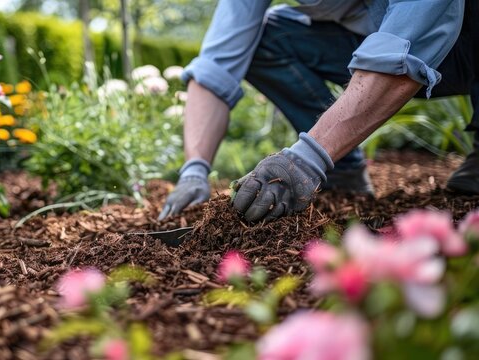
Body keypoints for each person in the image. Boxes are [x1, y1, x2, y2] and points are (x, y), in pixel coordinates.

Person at [159, 0, 479, 223]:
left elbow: (411, 42)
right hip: (371, 43)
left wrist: (306, 158)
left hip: (456, 42)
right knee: (267, 36)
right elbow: (216, 65)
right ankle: (342, 170)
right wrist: (194, 170)